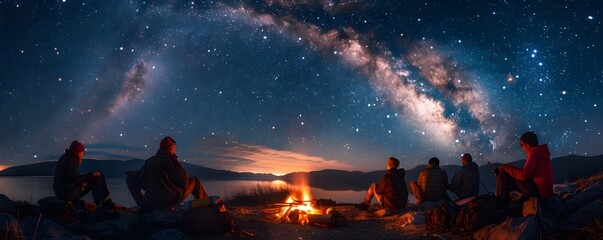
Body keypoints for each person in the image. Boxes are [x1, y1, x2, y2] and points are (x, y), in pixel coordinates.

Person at [126, 136, 208, 211]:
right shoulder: (170, 159)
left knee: (129, 178)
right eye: (174, 147)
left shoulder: (149, 161)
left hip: (153, 201)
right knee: (195, 181)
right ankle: (205, 205)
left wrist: (130, 173)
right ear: (171, 147)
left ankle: (143, 205)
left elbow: (140, 177)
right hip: (170, 201)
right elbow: (184, 181)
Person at [53, 140, 118, 220]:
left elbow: (70, 178)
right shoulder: (71, 160)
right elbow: (75, 179)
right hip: (67, 194)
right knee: (97, 178)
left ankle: (105, 199)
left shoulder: (65, 157)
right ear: (77, 152)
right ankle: (101, 207)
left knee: (99, 175)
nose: (82, 154)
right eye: (82, 152)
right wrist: (91, 175)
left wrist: (82, 182)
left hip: (62, 191)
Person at [494, 131, 553, 207]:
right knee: (508, 176)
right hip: (544, 191)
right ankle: (505, 202)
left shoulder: (534, 152)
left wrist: (504, 167)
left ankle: (500, 205)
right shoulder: (539, 152)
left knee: (503, 175)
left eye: (521, 145)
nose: (521, 148)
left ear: (527, 145)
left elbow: (523, 175)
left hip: (540, 192)